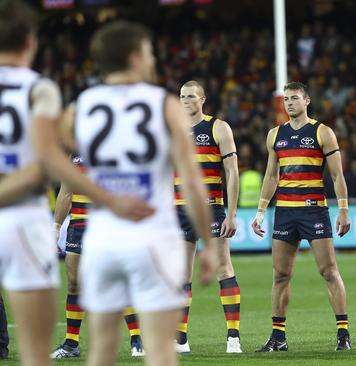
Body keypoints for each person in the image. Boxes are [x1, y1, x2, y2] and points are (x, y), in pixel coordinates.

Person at [0, 3, 154, 365]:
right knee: (36, 349)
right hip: (23, 219)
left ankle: (129, 339)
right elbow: (47, 161)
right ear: (30, 42)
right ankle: (74, 344)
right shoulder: (40, 89)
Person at [56, 21, 215, 366]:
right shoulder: (163, 105)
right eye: (150, 51)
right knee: (159, 351)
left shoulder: (84, 104)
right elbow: (191, 179)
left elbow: (52, 159)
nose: (153, 58)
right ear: (134, 56)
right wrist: (208, 243)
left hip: (101, 238)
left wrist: (108, 197)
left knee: (101, 350)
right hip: (152, 237)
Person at [252, 81, 351, 351]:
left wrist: (343, 209)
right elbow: (272, 175)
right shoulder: (275, 135)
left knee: (328, 271)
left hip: (313, 209)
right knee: (280, 275)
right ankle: (278, 337)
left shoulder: (323, 133)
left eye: (294, 98)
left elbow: (336, 174)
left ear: (306, 101)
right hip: (284, 210)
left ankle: (343, 335)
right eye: (286, 99)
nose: (289, 103)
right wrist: (261, 211)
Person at [50, 154, 145, 358]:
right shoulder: (74, 153)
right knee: (75, 283)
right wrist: (56, 226)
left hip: (110, 225)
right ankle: (71, 344)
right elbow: (66, 191)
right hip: (79, 225)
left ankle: (137, 339)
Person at [175, 80, 241, 354]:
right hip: (178, 209)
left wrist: (232, 213)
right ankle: (180, 340)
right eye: (182, 96)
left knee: (222, 267)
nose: (186, 100)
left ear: (202, 99)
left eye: (191, 96)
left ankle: (233, 337)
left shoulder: (218, 128)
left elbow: (232, 172)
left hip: (211, 207)